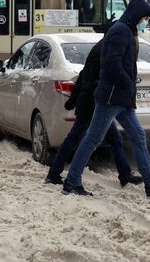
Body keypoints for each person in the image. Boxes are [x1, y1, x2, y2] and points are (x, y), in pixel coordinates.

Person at [62, 0, 150, 199]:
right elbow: (112, 64)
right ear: (136, 15)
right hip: (111, 97)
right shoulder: (120, 31)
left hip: (121, 98)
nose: (145, 22)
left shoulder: (126, 30)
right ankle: (72, 182)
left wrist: (128, 86)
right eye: (144, 18)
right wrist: (128, 83)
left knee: (138, 136)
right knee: (92, 139)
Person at [45, 38, 143, 188]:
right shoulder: (107, 49)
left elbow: (84, 75)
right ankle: (54, 174)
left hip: (95, 102)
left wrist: (73, 99)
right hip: (93, 103)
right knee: (76, 138)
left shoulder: (103, 47)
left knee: (112, 138)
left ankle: (125, 175)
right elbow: (90, 77)